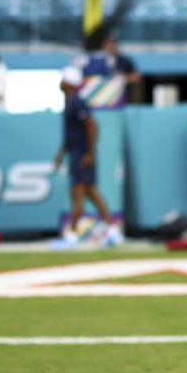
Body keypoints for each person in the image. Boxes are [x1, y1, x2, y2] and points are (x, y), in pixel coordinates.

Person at [53, 66, 122, 247]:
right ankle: (113, 230)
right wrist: (61, 153)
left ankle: (72, 235)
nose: (60, 82)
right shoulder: (70, 102)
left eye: (63, 79)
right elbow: (72, 134)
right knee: (91, 193)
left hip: (81, 155)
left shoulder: (77, 102)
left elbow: (92, 126)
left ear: (68, 83)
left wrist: (89, 153)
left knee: (77, 194)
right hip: (78, 153)